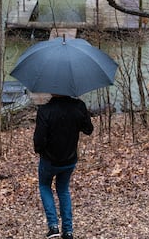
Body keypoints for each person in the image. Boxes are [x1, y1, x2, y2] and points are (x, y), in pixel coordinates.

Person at [33, 94, 94, 239]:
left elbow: (39, 140)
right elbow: (88, 129)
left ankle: (53, 226)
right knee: (63, 189)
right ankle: (68, 231)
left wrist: (40, 151)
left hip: (50, 160)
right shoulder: (78, 106)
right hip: (69, 159)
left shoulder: (45, 110)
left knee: (44, 186)